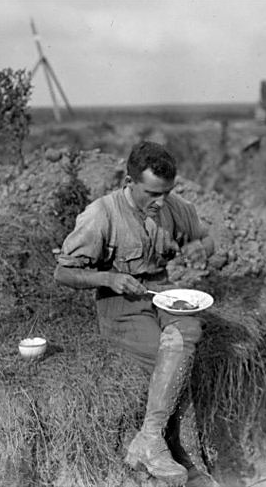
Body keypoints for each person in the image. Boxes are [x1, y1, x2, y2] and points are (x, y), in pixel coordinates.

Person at [54, 141, 219, 486]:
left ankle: (149, 439)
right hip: (120, 305)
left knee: (187, 333)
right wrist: (109, 278)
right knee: (170, 357)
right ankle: (179, 455)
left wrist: (197, 248)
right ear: (129, 183)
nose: (161, 202)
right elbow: (63, 273)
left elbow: (208, 239)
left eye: (167, 192)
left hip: (164, 294)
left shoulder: (176, 207)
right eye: (152, 194)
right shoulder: (101, 214)